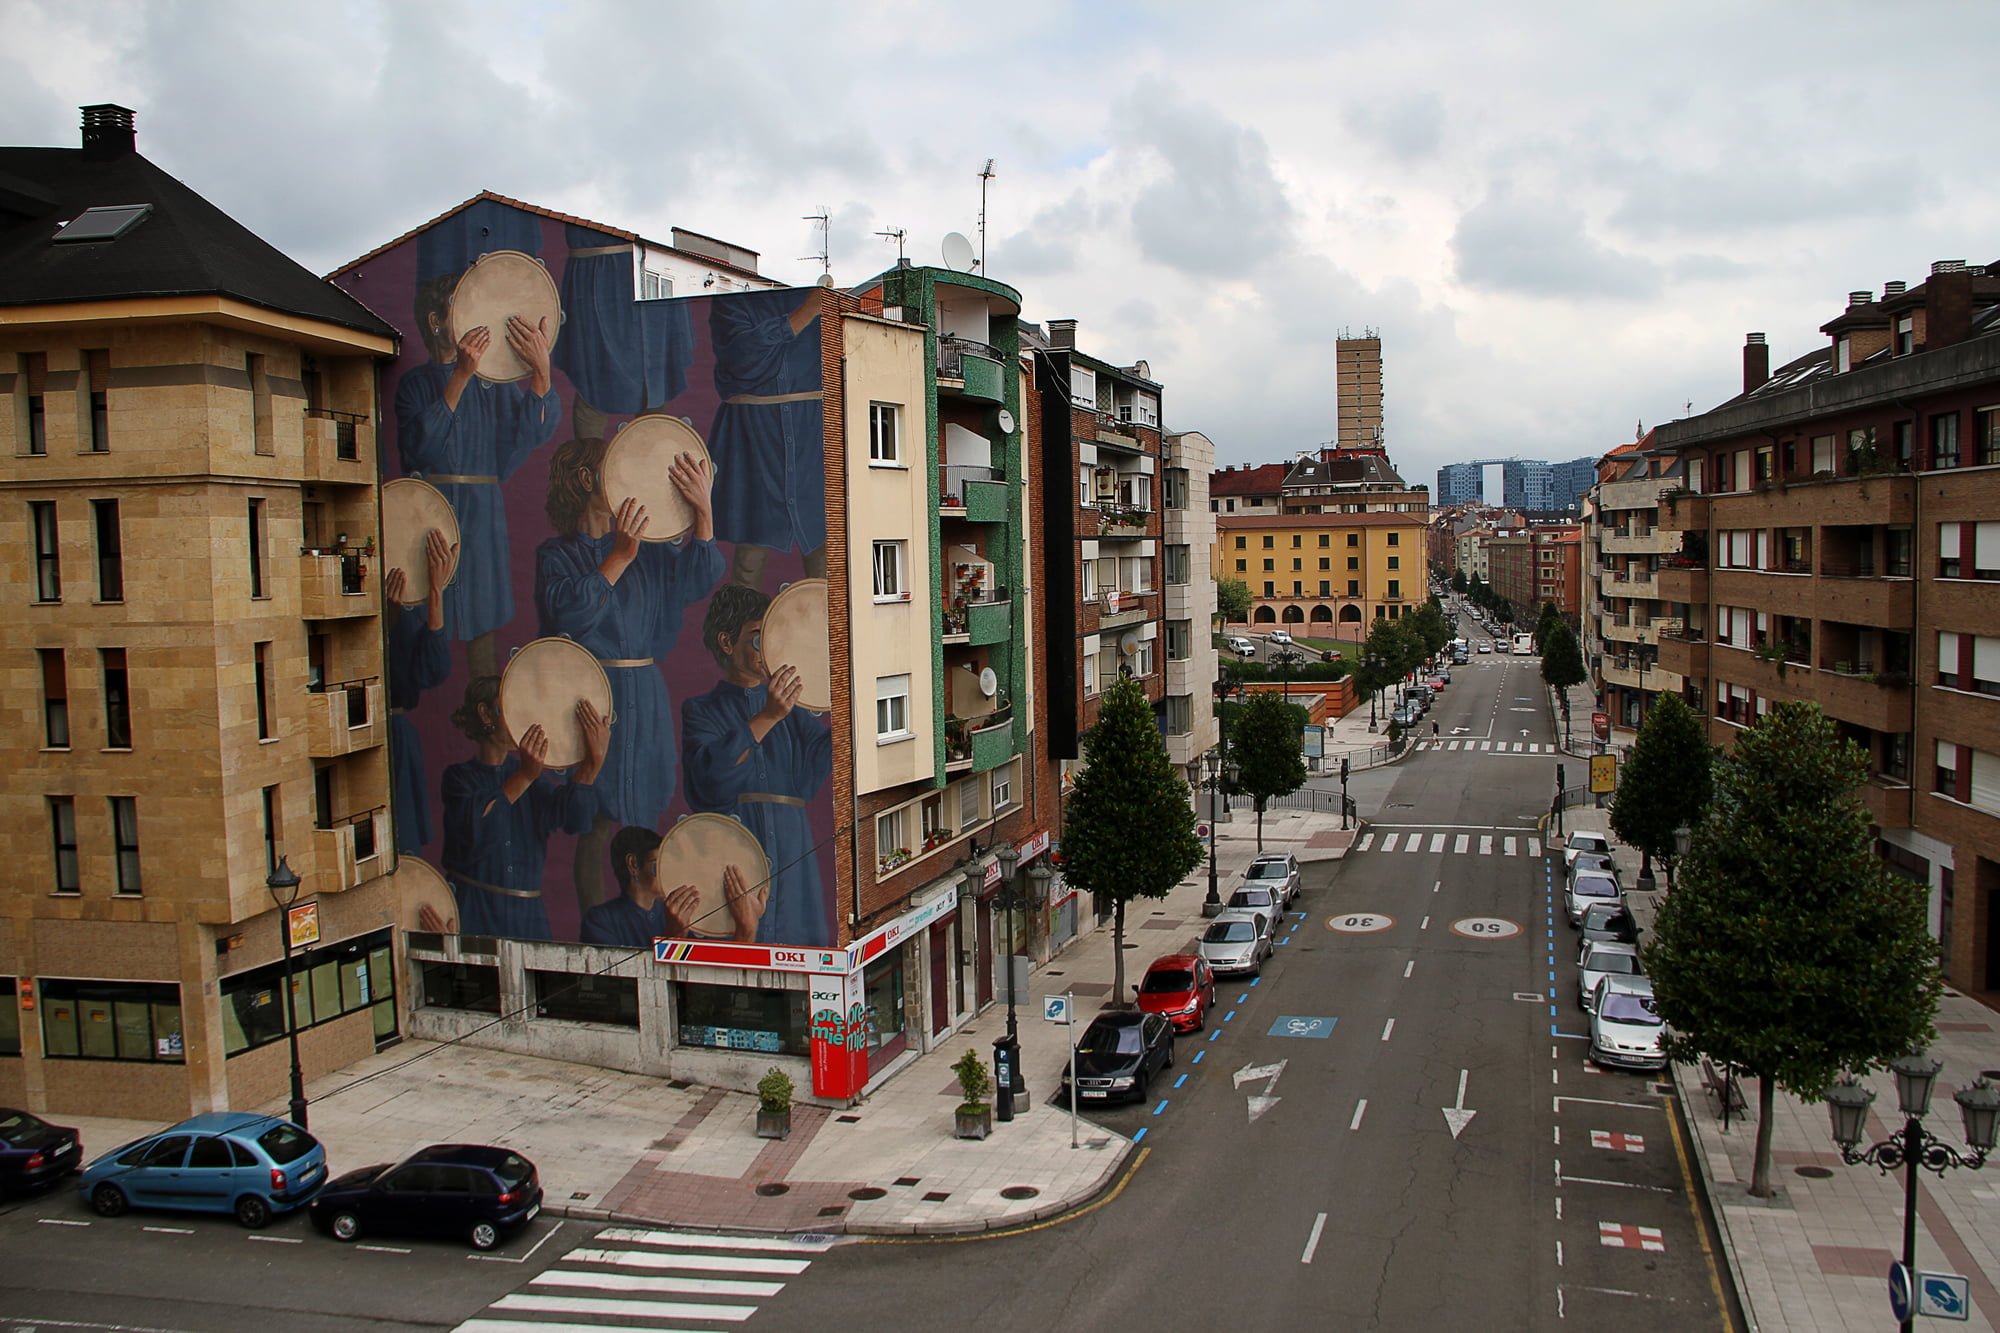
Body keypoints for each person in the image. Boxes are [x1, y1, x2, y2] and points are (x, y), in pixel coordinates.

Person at [535, 435, 725, 906]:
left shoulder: (652, 548)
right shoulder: (555, 555)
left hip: (646, 695)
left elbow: (696, 581)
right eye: (614, 466)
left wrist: (703, 512)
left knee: (646, 819)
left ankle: (645, 919)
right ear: (586, 479)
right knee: (595, 826)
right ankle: (599, 932)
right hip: (589, 699)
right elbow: (566, 615)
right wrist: (618, 555)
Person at [394, 272, 562, 678]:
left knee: (483, 624)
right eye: (459, 302)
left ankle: (483, 706)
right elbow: (422, 450)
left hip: (484, 516)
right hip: (433, 516)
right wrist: (461, 374)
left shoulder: (494, 386)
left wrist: (541, 373)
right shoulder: (414, 384)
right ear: (437, 320)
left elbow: (531, 434)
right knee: (435, 615)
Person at [681, 584, 834, 946]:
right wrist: (767, 716)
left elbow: (816, 768)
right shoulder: (702, 709)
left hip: (792, 845)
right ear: (726, 642)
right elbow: (710, 780)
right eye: (755, 639)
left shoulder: (794, 712)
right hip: (737, 844)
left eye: (770, 637)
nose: (766, 648)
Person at [438, 676, 608, 941]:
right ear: (485, 714)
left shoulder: (534, 779)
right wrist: (525, 777)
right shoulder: (459, 777)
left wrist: (591, 766)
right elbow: (475, 834)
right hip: (475, 911)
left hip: (526, 917)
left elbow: (575, 820)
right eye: (509, 707)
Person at [706, 289, 826, 589]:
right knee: (749, 558)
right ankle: (742, 632)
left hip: (812, 438)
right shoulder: (730, 299)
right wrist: (802, 316)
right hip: (752, 440)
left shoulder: (823, 300)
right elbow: (742, 359)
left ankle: (825, 632)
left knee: (824, 556)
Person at [383, 528, 455, 854]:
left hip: (396, 738)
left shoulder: (410, 608)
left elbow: (432, 671)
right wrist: (387, 620)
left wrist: (435, 591)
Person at [580, 825, 765, 947]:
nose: (667, 872)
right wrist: (673, 934)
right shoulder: (601, 919)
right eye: (658, 864)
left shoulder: (676, 912)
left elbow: (708, 973)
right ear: (633, 864)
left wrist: (746, 922)